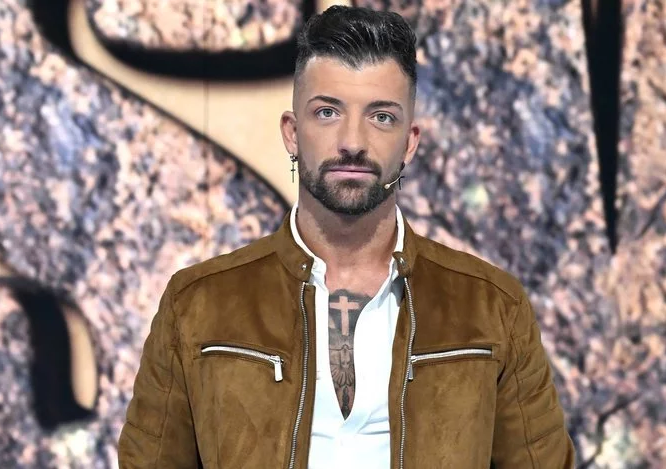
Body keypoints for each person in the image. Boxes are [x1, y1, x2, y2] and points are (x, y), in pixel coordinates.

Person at [118, 5, 575, 468]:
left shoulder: (493, 308)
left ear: (410, 142)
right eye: (328, 112)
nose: (352, 141)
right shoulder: (197, 305)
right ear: (292, 133)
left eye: (381, 117)